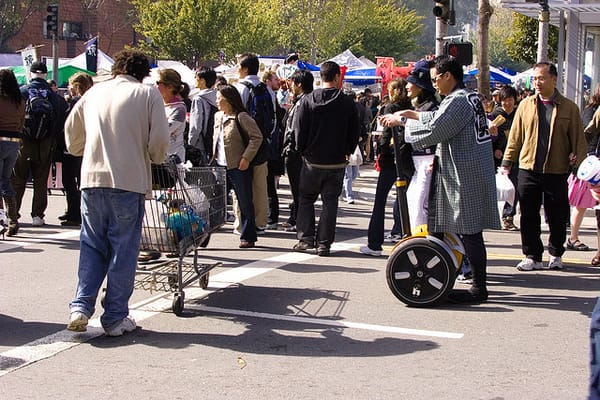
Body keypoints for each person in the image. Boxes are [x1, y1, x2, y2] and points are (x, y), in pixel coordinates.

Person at [64, 49, 170, 336]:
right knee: (123, 250)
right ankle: (114, 317)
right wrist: (155, 157)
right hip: (128, 180)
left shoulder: (94, 92)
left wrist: (82, 150)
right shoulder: (147, 95)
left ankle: (81, 306)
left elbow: (72, 132)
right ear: (142, 73)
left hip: (91, 178)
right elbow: (160, 140)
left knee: (92, 245)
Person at [381, 55, 500, 303]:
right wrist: (412, 115)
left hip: (464, 174)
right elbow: (436, 119)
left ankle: (479, 288)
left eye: (436, 79)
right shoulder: (470, 97)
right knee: (457, 228)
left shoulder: (457, 101)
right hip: (468, 171)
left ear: (448, 76)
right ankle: (453, 275)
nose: (434, 84)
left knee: (469, 231)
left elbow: (436, 129)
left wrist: (401, 121)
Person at [501, 62, 587, 271]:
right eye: (535, 78)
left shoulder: (569, 107)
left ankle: (556, 253)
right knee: (528, 214)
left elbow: (579, 140)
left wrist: (580, 169)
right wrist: (506, 163)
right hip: (528, 168)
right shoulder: (525, 105)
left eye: (541, 78)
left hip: (556, 170)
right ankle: (532, 255)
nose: (537, 83)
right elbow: (515, 137)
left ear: (554, 79)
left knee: (557, 216)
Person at [292, 61, 359, 256]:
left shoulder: (307, 100)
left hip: (312, 160)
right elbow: (354, 131)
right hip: (337, 160)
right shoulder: (347, 102)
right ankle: (324, 244)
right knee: (330, 203)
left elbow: (299, 130)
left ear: (321, 77)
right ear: (337, 77)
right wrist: (348, 149)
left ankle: (305, 239)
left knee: (306, 199)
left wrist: (302, 150)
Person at [360, 78, 412, 257]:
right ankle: (404, 235)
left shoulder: (390, 108)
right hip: (409, 159)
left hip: (391, 159)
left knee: (380, 201)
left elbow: (385, 135)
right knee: (407, 200)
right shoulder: (412, 107)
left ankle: (374, 243)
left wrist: (380, 154)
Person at [12, 61, 68, 228]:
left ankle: (13, 213)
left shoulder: (21, 92)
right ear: (45, 74)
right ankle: (37, 215)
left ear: (31, 73)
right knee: (41, 179)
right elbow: (61, 120)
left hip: (24, 140)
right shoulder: (54, 97)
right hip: (46, 142)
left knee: (18, 178)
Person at [212, 84, 262, 248]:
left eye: (220, 99)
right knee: (215, 201)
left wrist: (246, 158)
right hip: (220, 165)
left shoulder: (241, 117)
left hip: (238, 166)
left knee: (244, 201)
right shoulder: (218, 116)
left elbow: (257, 137)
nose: (217, 101)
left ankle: (248, 236)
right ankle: (205, 232)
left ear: (229, 100)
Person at [233, 53, 270, 234]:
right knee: (260, 185)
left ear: (245, 68)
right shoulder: (266, 88)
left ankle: (242, 223)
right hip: (263, 143)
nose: (237, 69)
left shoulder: (239, 88)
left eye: (238, 66)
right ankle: (261, 222)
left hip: (242, 144)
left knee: (241, 186)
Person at [57, 72, 94, 227]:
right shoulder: (93, 100)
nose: (69, 89)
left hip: (73, 147)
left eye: (71, 86)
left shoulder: (77, 102)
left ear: (77, 86)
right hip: (88, 146)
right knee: (79, 180)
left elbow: (68, 123)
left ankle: (74, 212)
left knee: (69, 180)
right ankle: (74, 210)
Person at [280, 69, 314, 233]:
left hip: (296, 153)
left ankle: (299, 221)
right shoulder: (301, 101)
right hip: (296, 151)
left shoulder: (302, 103)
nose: (290, 86)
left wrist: (292, 148)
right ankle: (295, 217)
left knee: (298, 189)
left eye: (292, 83)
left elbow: (296, 130)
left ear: (299, 84)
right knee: (298, 189)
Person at [489, 85, 520, 231]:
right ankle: (489, 217)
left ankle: (508, 217)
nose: (507, 103)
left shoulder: (519, 115)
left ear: (515, 100)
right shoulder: (495, 115)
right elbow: (488, 137)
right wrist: (496, 149)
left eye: (510, 100)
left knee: (514, 187)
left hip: (515, 157)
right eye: (504, 100)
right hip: (497, 158)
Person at [0, 69, 25, 237]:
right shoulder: (19, 101)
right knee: (6, 181)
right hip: (14, 143)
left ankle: (2, 220)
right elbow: (22, 122)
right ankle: (13, 219)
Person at [188, 66, 218, 166]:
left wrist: (190, 144)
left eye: (196, 78)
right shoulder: (218, 97)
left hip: (201, 144)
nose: (195, 80)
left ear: (202, 80)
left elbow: (196, 126)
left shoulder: (198, 99)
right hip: (215, 143)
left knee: (201, 176)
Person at [157, 68, 188, 163]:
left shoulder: (179, 109)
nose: (156, 86)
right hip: (158, 159)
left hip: (173, 161)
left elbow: (163, 130)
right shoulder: (158, 105)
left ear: (170, 87)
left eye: (158, 82)